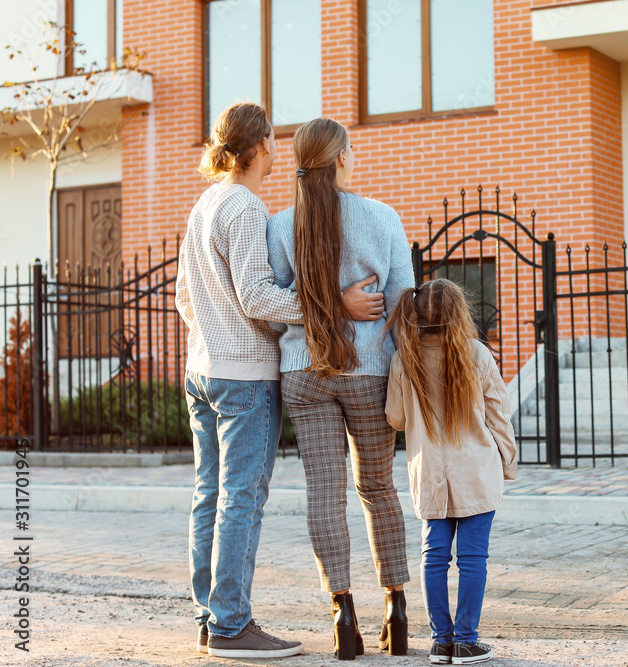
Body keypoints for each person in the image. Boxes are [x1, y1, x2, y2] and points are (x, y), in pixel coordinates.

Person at [176, 102, 381, 659]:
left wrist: (214, 337)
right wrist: (333, 305)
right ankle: (232, 626)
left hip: (202, 371)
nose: (274, 148)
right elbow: (258, 297)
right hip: (242, 378)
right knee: (241, 498)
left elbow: (183, 299)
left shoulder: (204, 204)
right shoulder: (244, 206)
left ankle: (210, 616)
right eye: (271, 139)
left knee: (209, 496)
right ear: (260, 145)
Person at [266, 117, 414, 661]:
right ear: (344, 158)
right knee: (378, 489)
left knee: (324, 493)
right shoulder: (382, 218)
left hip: (305, 373)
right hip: (368, 371)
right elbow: (403, 304)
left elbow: (278, 303)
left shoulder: (281, 226)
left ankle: (342, 614)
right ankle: (397, 610)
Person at [384, 279, 518, 666]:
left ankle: (441, 643)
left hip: (429, 474)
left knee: (433, 555)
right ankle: (466, 641)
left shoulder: (402, 360)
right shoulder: (476, 354)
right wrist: (508, 463)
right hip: (476, 471)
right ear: (458, 313)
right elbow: (499, 416)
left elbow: (395, 418)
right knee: (474, 557)